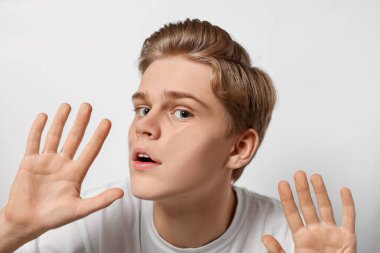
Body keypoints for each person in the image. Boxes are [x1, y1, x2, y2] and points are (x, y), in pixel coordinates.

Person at [0, 18, 356, 253]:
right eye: (142, 108)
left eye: (182, 112)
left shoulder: (290, 239)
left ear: (240, 147)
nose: (144, 126)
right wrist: (11, 230)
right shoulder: (92, 219)